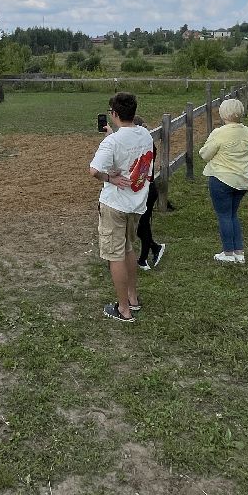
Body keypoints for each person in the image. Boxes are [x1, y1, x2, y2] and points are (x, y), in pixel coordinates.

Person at [88, 92, 154, 322]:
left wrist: (110, 177)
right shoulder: (145, 134)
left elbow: (94, 170)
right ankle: (132, 299)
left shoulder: (112, 141)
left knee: (115, 255)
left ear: (114, 114)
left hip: (114, 204)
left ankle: (123, 310)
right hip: (136, 203)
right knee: (128, 249)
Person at [200, 98, 248, 265]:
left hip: (222, 178)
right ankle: (239, 252)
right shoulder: (246, 132)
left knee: (224, 215)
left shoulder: (219, 132)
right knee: (232, 215)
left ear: (223, 113)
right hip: (242, 179)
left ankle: (228, 252)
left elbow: (205, 154)